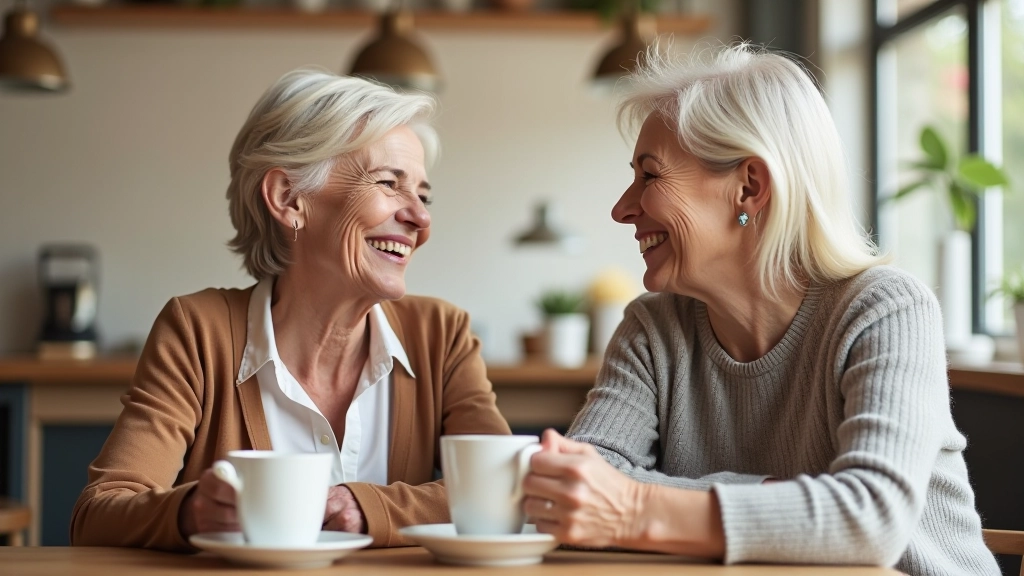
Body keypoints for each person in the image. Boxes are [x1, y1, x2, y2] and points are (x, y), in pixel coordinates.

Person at [521, 44, 999, 575]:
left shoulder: (885, 310)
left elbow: (870, 520)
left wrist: (633, 505)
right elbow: (574, 491)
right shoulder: (652, 328)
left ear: (749, 186)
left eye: (650, 176)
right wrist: (784, 498)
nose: (622, 208)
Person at [71, 69, 510, 551]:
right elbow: (99, 513)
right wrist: (192, 510)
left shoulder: (441, 335)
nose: (420, 218)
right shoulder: (198, 331)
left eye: (423, 196)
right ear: (288, 198)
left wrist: (365, 508)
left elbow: (504, 491)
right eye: (390, 184)